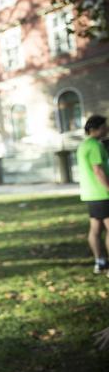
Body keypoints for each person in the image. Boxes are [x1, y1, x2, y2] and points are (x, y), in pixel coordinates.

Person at [76, 115, 109, 276]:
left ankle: (100, 262)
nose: (107, 129)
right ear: (95, 129)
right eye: (104, 126)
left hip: (90, 194)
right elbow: (98, 170)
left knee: (95, 229)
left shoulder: (83, 145)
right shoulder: (96, 145)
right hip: (102, 193)